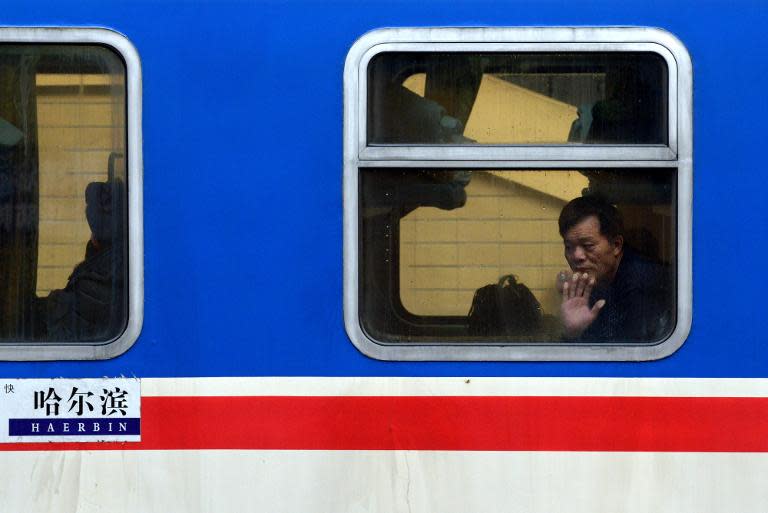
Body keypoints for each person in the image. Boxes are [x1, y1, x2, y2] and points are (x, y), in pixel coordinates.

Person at [556, 196, 672, 342]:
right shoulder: (597, 281)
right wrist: (573, 332)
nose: (576, 256)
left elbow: (627, 357)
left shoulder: (642, 284)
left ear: (616, 245)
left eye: (588, 246)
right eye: (568, 247)